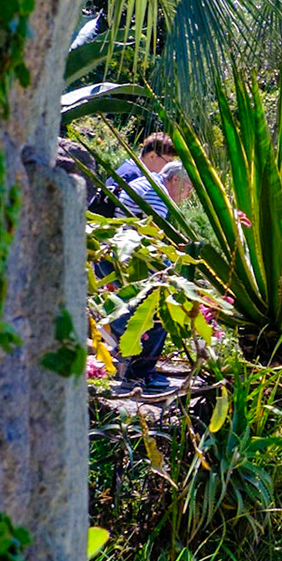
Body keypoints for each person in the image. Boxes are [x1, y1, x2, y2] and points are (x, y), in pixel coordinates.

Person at [109, 161, 193, 388]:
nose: (188, 195)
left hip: (114, 254)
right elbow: (150, 242)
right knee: (160, 310)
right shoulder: (158, 195)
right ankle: (140, 374)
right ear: (175, 179)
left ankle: (130, 365)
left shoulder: (146, 183)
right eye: (188, 188)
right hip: (126, 259)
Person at [92, 131, 177, 214]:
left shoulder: (131, 168)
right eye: (168, 162)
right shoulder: (133, 176)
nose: (169, 167)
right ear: (152, 156)